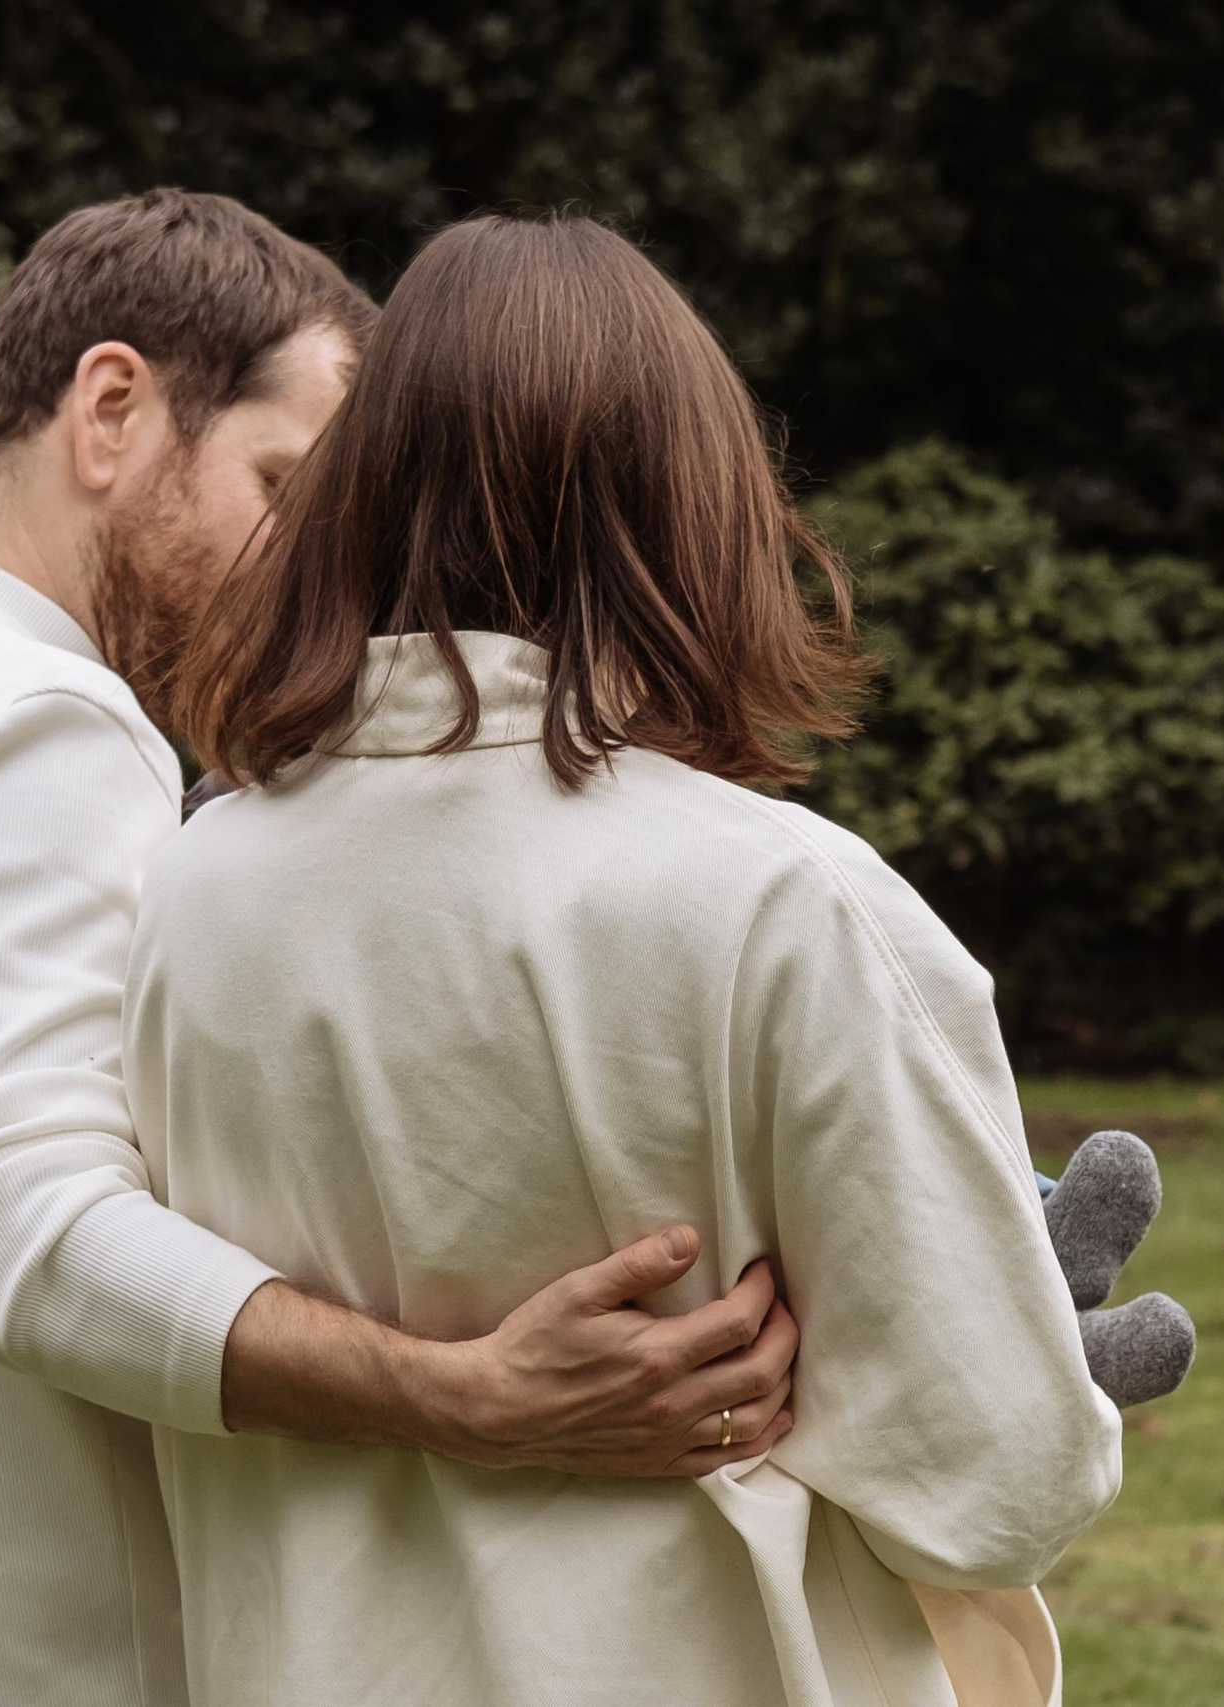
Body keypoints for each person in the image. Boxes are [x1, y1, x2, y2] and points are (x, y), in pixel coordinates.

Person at [0, 190, 803, 1707]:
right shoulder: (31, 720)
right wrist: (461, 1395)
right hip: (22, 1665)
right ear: (113, 409)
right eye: (283, 488)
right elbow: (26, 1231)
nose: (312, 572)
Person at [128, 211, 1122, 1707]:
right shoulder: (787, 903)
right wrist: (1023, 1332)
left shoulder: (189, 888)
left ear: (360, 497)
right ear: (695, 509)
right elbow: (999, 1480)